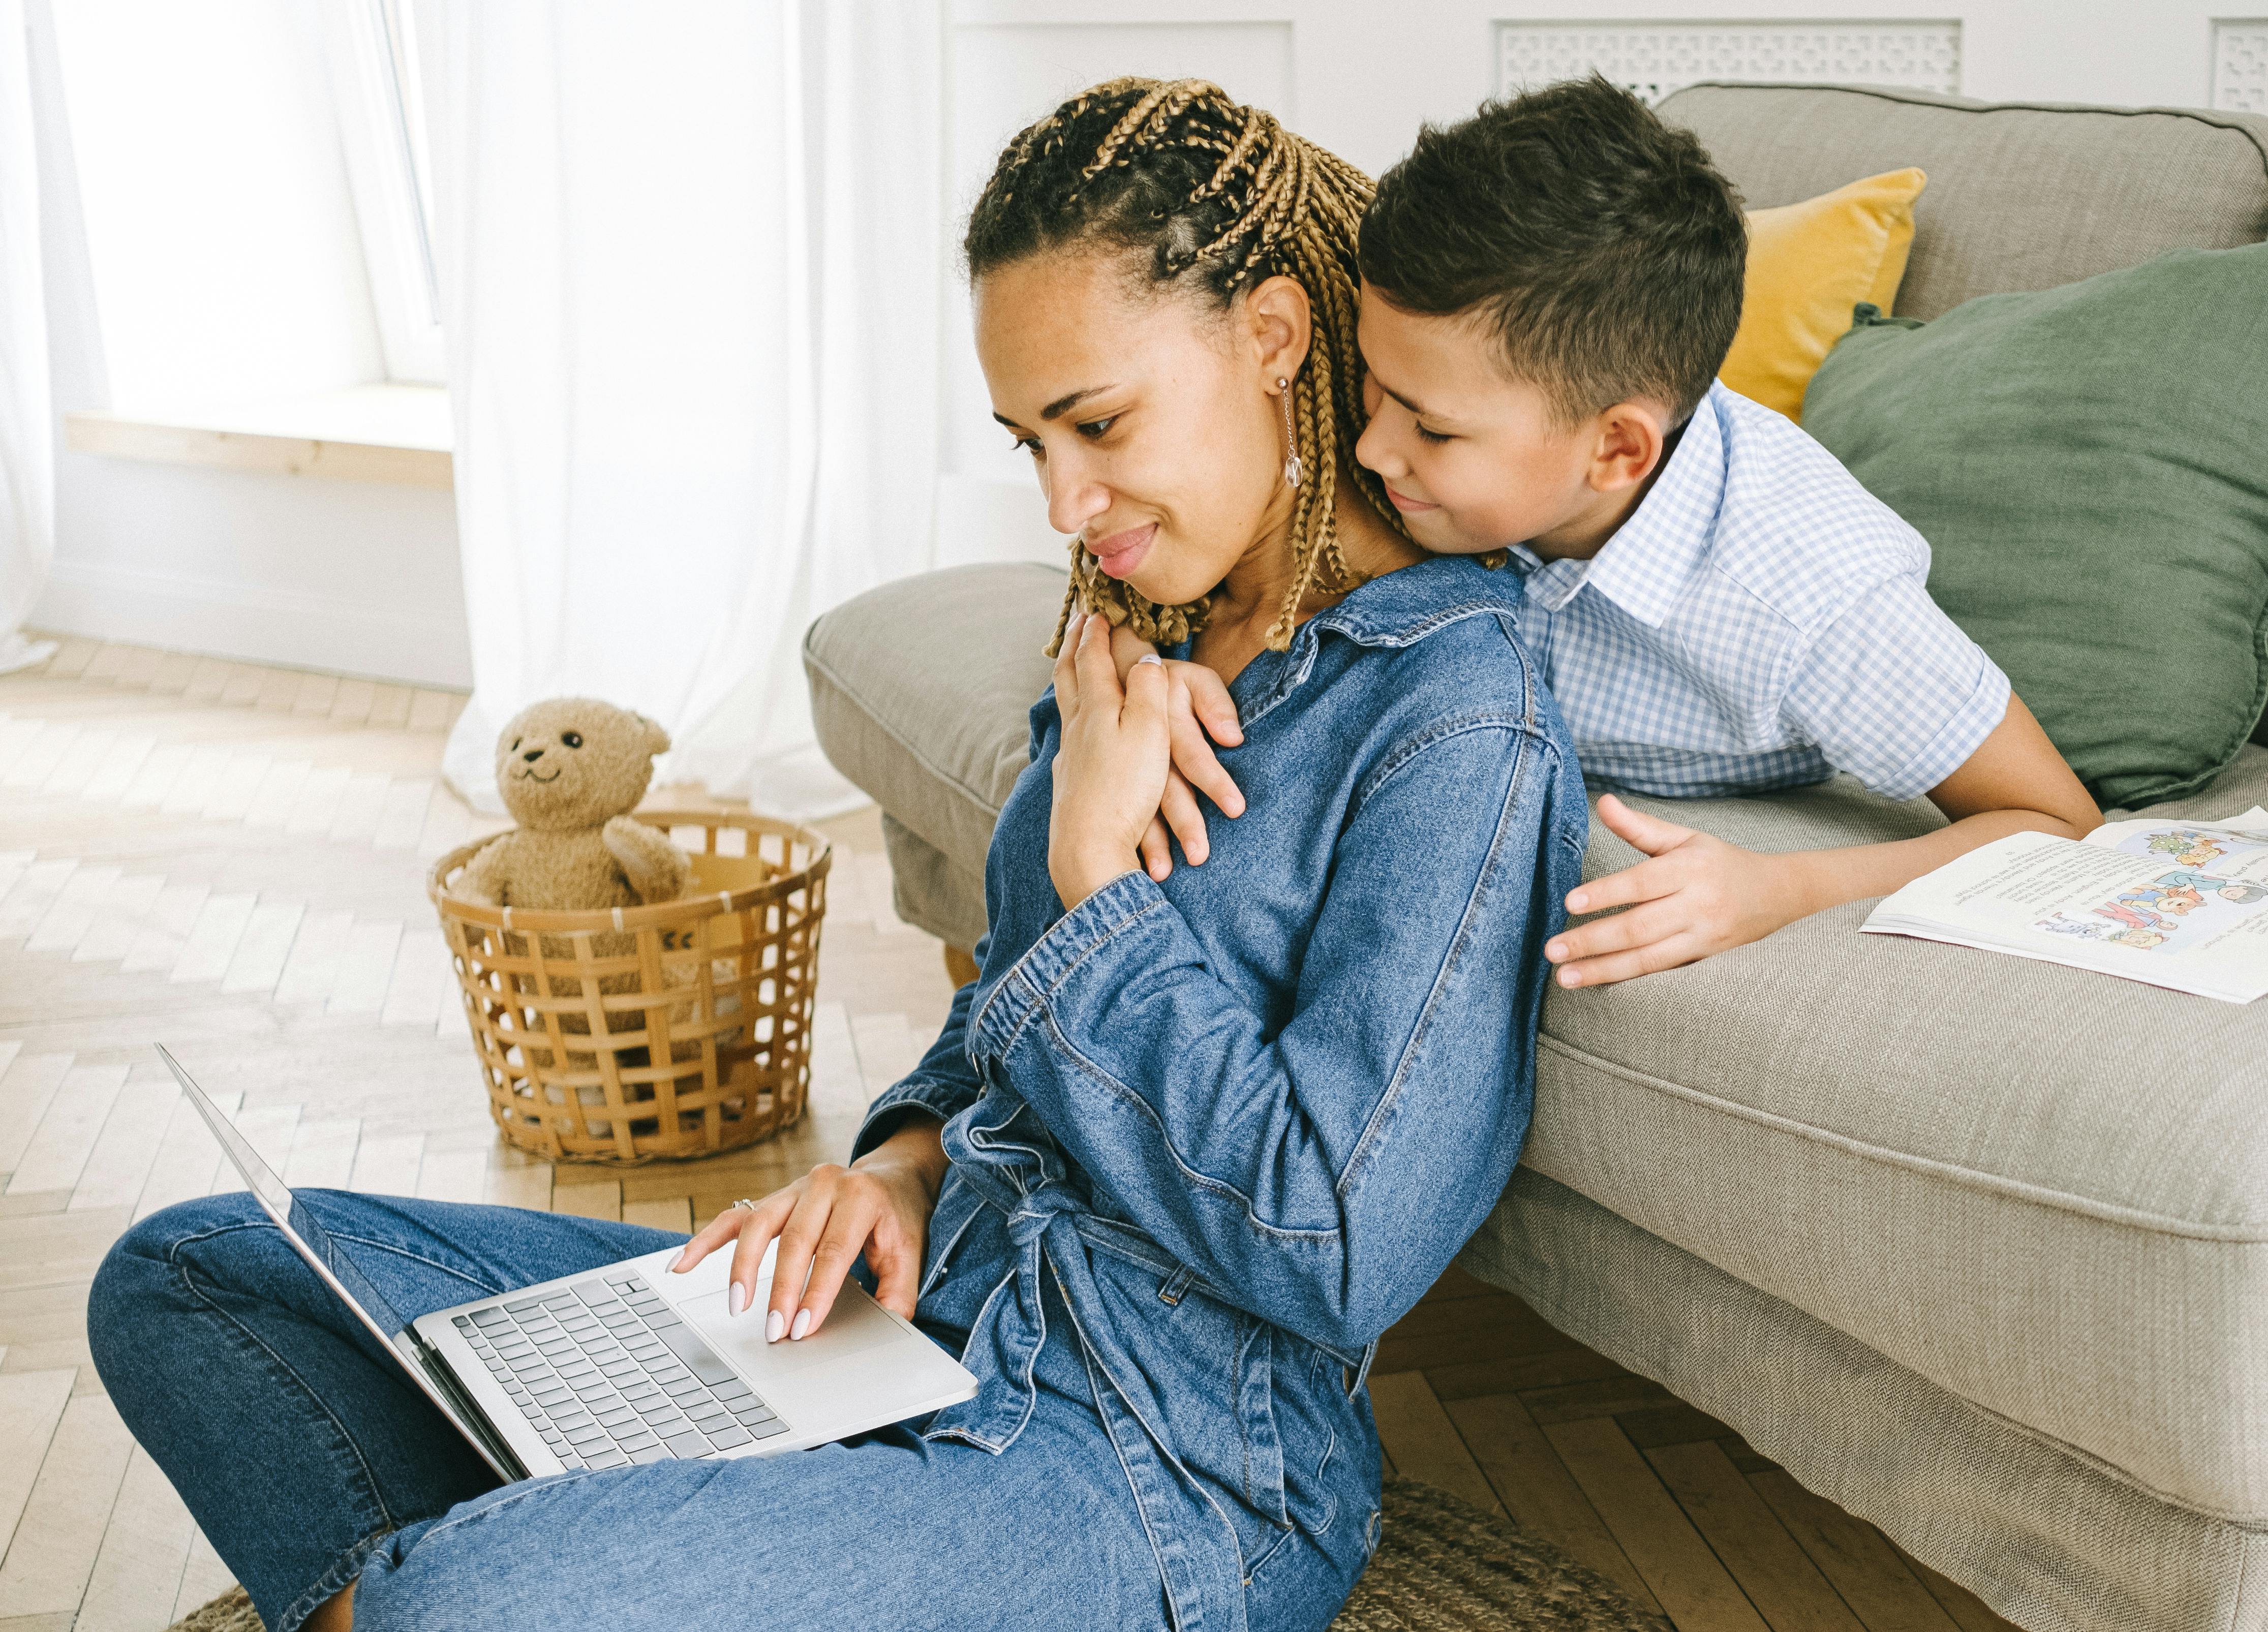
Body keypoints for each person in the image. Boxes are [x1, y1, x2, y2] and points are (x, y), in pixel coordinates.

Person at [85, 78, 1584, 1632]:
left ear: (1273, 334)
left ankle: (529, 1562)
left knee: (463, 1601)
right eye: (1030, 441)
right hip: (899, 1317)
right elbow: (997, 1016)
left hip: (1151, 1457)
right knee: (189, 1272)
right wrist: (901, 1163)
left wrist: (1104, 893)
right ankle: (615, 1536)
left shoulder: (1456, 716)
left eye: (1099, 423)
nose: (1068, 502)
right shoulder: (1136, 626)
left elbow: (1337, 1245)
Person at [1136, 75, 2103, 988]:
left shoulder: (1807, 594)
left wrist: (1780, 889)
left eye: (1429, 426)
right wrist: (1149, 652)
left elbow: (2056, 821)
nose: (1376, 449)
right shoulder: (1443, 425)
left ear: (1616, 453)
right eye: (1370, 388)